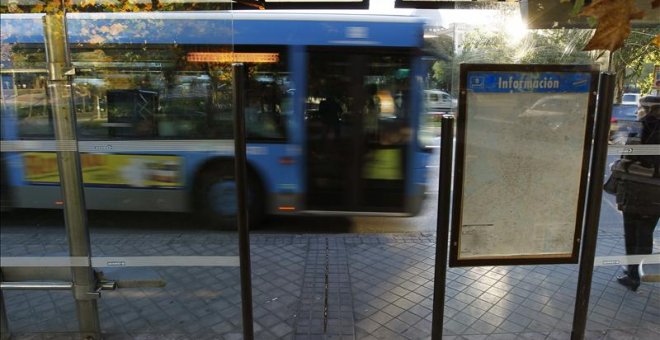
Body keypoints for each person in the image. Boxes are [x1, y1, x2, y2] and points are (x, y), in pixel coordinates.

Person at [613, 96, 660, 292]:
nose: (637, 110)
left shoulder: (638, 127)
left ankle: (632, 275)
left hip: (635, 191)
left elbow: (627, 156)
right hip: (657, 193)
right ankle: (641, 271)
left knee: (631, 234)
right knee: (646, 233)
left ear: (647, 109)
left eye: (640, 107)